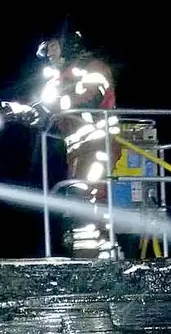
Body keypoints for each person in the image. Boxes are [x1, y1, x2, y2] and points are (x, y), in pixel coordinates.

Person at [32, 30, 121, 258]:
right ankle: (101, 251)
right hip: (78, 149)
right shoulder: (57, 79)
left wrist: (53, 104)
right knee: (83, 197)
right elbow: (48, 113)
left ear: (68, 44)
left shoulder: (93, 68)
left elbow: (88, 99)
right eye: (46, 50)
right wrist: (27, 113)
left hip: (99, 142)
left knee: (84, 194)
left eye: (52, 46)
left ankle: (89, 257)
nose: (49, 53)